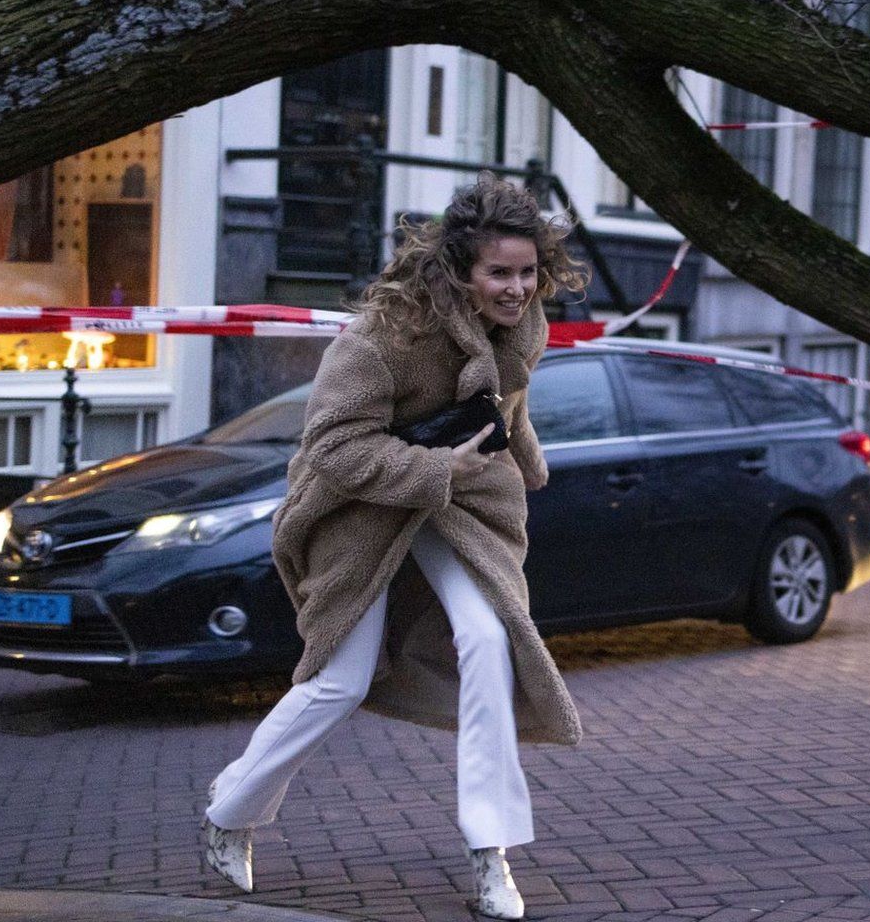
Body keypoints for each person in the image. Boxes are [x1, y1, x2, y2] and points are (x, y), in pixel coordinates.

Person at [201, 177, 586, 920]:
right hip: (361, 511)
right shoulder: (384, 337)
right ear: (460, 270)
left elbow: (504, 399)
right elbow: (333, 447)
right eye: (499, 273)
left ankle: (491, 853)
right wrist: (438, 468)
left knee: (487, 638)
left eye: (528, 272)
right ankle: (229, 816)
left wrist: (527, 460)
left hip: (464, 508)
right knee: (338, 681)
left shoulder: (522, 323)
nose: (517, 288)